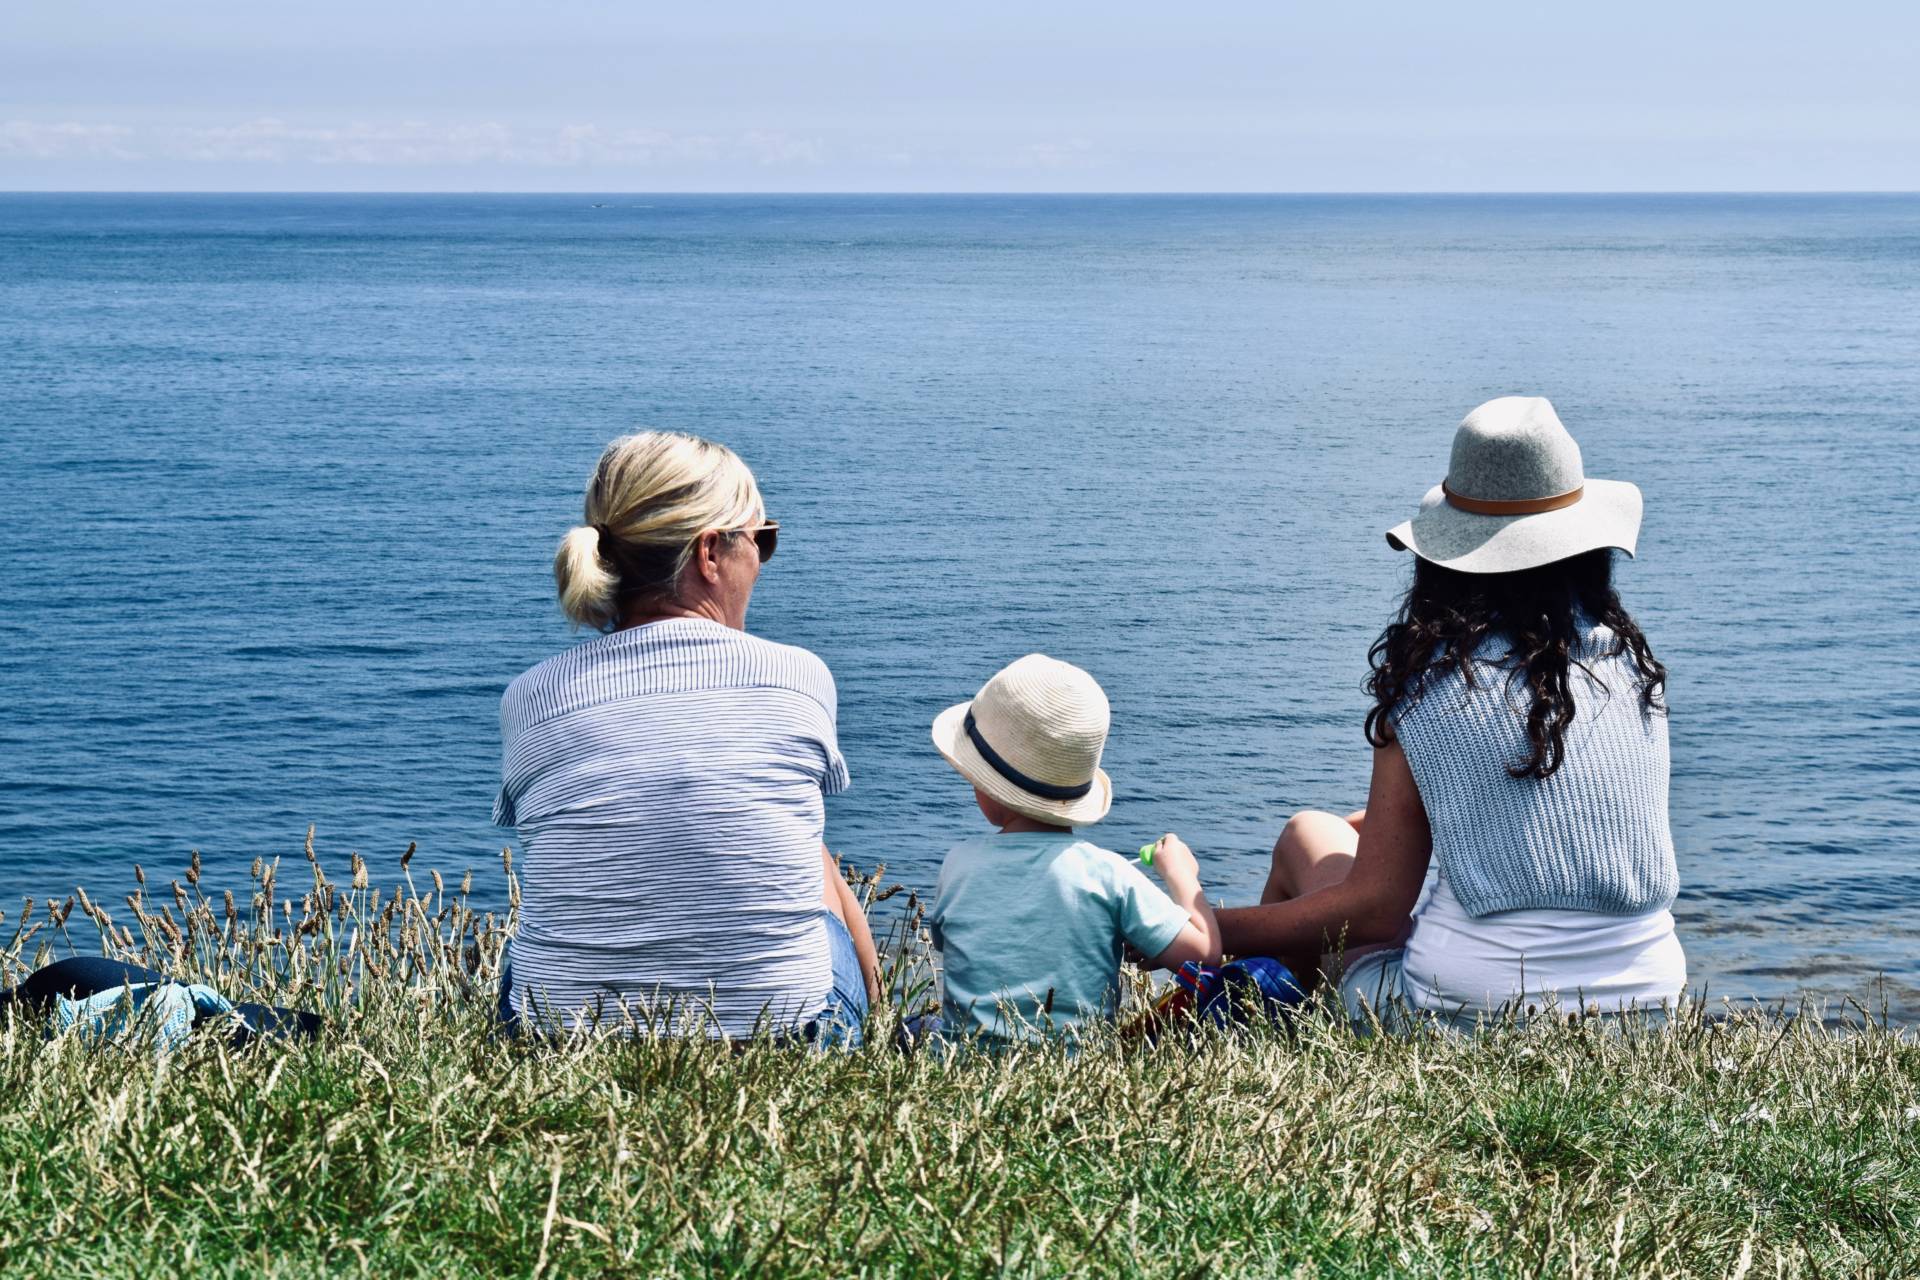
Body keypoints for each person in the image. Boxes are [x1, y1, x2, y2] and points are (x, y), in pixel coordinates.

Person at [1217, 396, 1686, 1029]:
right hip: (1645, 1014)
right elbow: (1544, 808)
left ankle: (1280, 1028)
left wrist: (1202, 926)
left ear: (1448, 558)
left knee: (1307, 835)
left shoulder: (1433, 682)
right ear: (1587, 548)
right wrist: (1393, 822)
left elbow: (1379, 910)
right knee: (1342, 833)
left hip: (1464, 1018)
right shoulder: (1631, 669)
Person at [494, 431, 879, 1043]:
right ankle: (872, 1031)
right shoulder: (797, 676)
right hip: (781, 1032)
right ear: (709, 553)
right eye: (762, 540)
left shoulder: (531, 696)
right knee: (809, 851)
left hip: (552, 1037)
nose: (762, 560)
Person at [925, 654, 1222, 1044]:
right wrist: (1182, 874)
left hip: (963, 1068)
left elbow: (951, 945)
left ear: (990, 789)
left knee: (917, 1028)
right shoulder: (1109, 873)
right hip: (1080, 1069)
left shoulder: (957, 866)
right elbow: (1205, 956)